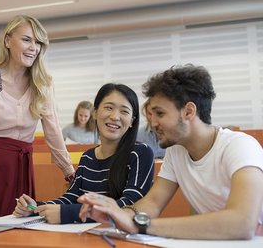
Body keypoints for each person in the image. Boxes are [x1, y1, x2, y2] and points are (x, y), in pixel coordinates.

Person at [78, 64, 263, 240]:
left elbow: (242, 223)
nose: (153, 123)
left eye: (160, 114)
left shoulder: (240, 146)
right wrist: (118, 214)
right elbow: (152, 203)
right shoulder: (176, 152)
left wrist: (142, 226)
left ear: (188, 112)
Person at [0, 15, 75, 218]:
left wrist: (68, 170)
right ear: (7, 41)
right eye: (26, 39)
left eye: (38, 42)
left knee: (16, 232)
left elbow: (53, 131)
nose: (34, 47)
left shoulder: (43, 83)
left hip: (20, 168)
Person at [14, 83, 155, 224]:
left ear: (132, 121)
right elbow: (71, 197)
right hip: (84, 236)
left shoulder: (141, 153)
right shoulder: (87, 157)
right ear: (95, 113)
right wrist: (36, 207)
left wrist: (68, 214)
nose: (115, 116)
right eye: (109, 108)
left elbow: (130, 204)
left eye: (124, 111)